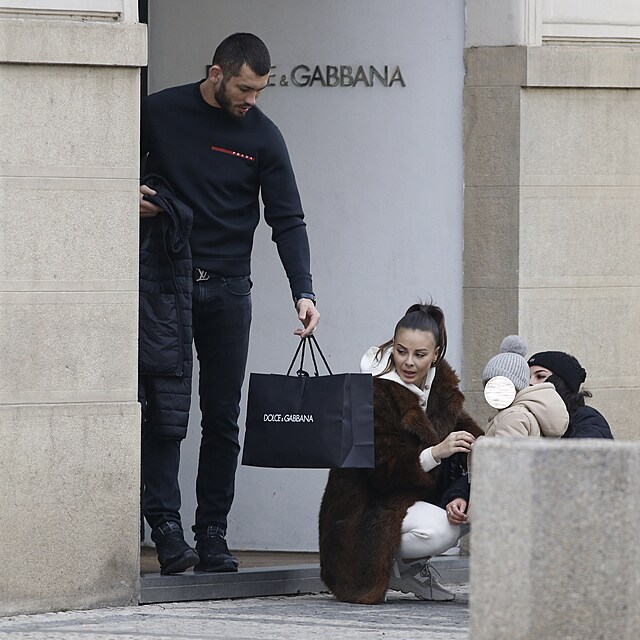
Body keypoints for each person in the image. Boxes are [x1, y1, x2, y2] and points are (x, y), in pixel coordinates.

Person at [139, 32, 321, 575]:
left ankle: (212, 533)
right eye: (245, 88)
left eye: (261, 90)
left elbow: (286, 217)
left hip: (229, 289)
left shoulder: (263, 137)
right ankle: (167, 532)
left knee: (222, 416)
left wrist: (303, 290)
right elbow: (101, 159)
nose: (252, 100)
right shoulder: (160, 110)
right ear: (216, 73)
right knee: (167, 411)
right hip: (166, 284)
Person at [318, 303, 483, 604]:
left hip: (403, 501)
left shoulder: (439, 390)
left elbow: (473, 435)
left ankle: (409, 569)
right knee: (442, 530)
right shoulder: (372, 393)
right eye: (400, 350)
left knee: (477, 507)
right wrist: (437, 451)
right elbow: (382, 473)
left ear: (435, 355)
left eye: (419, 355)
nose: (408, 362)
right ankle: (390, 569)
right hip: (364, 515)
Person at [443, 335, 569, 527]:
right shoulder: (518, 414)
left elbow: (504, 464)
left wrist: (479, 445)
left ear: (517, 385)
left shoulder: (513, 417)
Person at [528, 351, 614, 439]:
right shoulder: (524, 415)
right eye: (527, 377)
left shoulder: (587, 419)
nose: (530, 383)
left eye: (540, 376)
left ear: (561, 382)